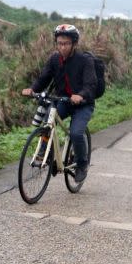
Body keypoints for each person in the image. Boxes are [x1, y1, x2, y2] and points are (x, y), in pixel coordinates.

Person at [21, 24, 97, 183]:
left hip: (83, 104)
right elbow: (44, 78)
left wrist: (81, 95)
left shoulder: (85, 60)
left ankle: (82, 165)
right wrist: (32, 89)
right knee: (49, 118)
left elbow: (91, 85)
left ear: (74, 44)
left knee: (76, 133)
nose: (62, 47)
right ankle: (46, 153)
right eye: (60, 43)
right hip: (63, 100)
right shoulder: (54, 59)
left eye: (66, 43)